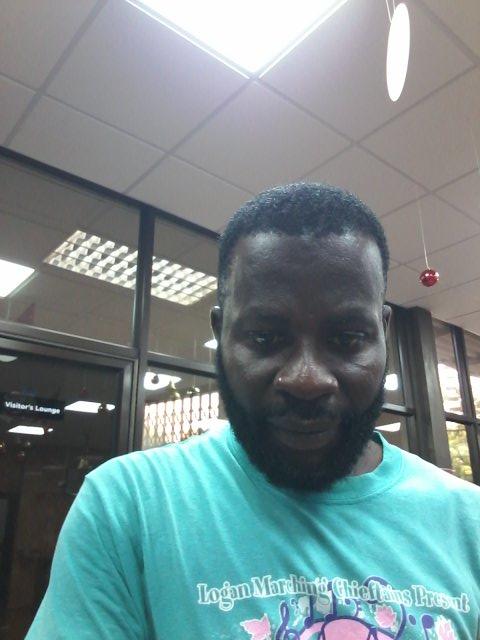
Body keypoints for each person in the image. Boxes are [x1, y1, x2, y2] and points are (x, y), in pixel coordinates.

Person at [27, 183, 480, 639]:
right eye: (265, 338)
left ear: (383, 335)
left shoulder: (470, 524)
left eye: (347, 339)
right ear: (220, 333)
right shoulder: (128, 509)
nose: (307, 380)